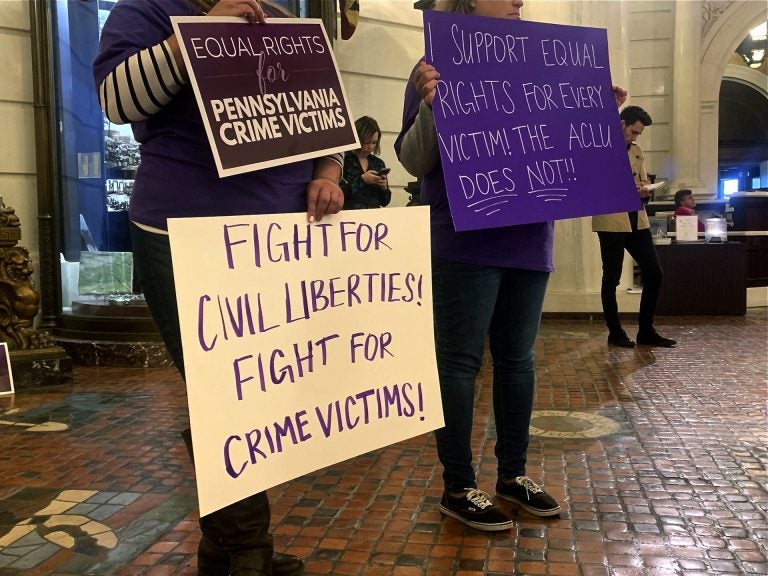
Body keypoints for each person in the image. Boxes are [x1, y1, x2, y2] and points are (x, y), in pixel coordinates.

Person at [94, 1, 344, 574]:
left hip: (278, 234)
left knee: (257, 391)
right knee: (220, 394)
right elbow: (118, 101)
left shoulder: (282, 20)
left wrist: (327, 173)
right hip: (182, 230)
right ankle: (250, 549)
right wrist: (197, 39)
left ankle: (224, 548)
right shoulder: (148, 10)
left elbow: (323, 119)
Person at [395, 0, 628, 532]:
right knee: (458, 363)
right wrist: (432, 104)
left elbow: (558, 147)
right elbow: (412, 161)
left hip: (528, 237)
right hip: (463, 237)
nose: (519, 1)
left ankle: (512, 475)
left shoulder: (546, 64)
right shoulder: (435, 62)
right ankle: (458, 486)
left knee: (518, 361)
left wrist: (594, 112)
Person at [592, 106, 676, 349]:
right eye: (633, 131)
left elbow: (640, 185)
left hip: (636, 218)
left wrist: (644, 189)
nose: (635, 137)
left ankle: (646, 330)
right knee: (612, 278)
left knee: (654, 272)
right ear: (620, 124)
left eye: (638, 133)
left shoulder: (637, 151)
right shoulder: (602, 146)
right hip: (611, 220)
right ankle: (615, 332)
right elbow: (597, 183)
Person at [342, 116, 391, 209]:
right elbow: (338, 193)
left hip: (373, 218)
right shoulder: (344, 160)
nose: (370, 147)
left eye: (374, 142)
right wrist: (362, 180)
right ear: (358, 139)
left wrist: (384, 188)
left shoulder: (378, 163)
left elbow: (385, 202)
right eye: (367, 142)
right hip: (348, 218)